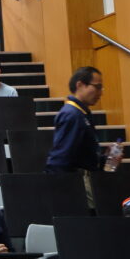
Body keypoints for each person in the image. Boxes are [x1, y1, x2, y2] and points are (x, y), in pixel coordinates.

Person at [45, 67, 122, 198]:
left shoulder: (81, 113)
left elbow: (82, 157)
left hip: (83, 181)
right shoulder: (72, 115)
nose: (100, 93)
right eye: (97, 87)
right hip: (76, 186)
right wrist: (61, 192)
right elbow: (61, 158)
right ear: (80, 85)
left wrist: (104, 159)